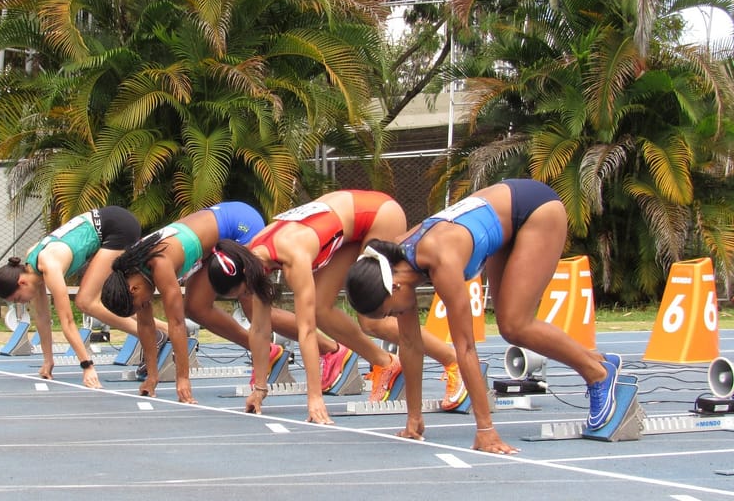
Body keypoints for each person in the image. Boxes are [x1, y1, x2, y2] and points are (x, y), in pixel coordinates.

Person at [344, 178, 621, 455]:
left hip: (536, 211)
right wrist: (413, 418)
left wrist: (486, 430)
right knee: (510, 325)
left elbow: (465, 348)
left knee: (516, 325)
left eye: (389, 311)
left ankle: (598, 374)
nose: (395, 315)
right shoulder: (393, 264)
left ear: (394, 286)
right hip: (505, 221)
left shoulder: (440, 261)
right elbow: (410, 344)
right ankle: (596, 360)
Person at [205, 190, 466, 425]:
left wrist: (315, 399)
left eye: (244, 291)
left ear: (247, 274)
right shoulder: (251, 257)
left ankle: (454, 362)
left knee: (371, 318)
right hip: (349, 229)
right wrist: (260, 389)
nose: (248, 296)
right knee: (321, 310)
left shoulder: (292, 256)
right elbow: (260, 329)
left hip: (378, 216)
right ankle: (385, 364)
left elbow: (307, 331)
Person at [102, 201, 296, 403]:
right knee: (195, 308)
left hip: (241, 225)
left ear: (133, 289)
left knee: (256, 313)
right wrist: (152, 376)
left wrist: (183, 379)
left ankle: (319, 345)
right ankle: (266, 351)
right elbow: (145, 325)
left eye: (141, 305)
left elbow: (176, 323)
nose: (146, 306)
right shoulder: (131, 272)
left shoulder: (159, 265)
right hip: (214, 240)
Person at [0, 205, 162, 385]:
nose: (23, 302)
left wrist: (87, 366)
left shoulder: (49, 265)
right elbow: (42, 318)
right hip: (109, 224)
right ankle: (162, 332)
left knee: (85, 302)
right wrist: (48, 361)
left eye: (18, 299)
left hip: (118, 227)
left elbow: (68, 322)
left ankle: (152, 336)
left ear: (22, 282)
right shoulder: (32, 267)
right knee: (96, 302)